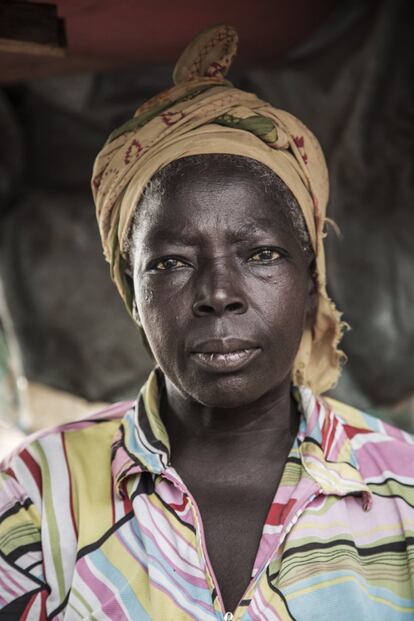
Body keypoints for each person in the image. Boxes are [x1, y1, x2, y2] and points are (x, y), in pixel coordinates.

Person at [1, 25, 413, 620]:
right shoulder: (36, 494)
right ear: (132, 296)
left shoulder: (399, 491)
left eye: (261, 255)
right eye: (171, 263)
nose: (219, 294)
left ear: (310, 280)